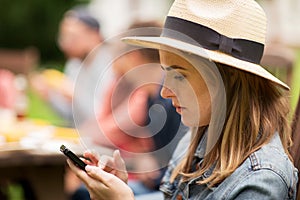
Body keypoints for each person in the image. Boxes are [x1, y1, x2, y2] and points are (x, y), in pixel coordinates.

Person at [67, 0, 298, 199]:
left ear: (225, 80)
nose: (165, 92)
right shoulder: (193, 141)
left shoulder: (260, 180)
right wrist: (122, 189)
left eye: (179, 75)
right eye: (165, 73)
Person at [30, 6, 113, 127]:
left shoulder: (112, 66)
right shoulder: (74, 65)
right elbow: (71, 116)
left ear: (94, 35)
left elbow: (103, 119)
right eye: (63, 37)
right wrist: (49, 96)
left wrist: (75, 94)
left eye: (73, 37)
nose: (65, 44)